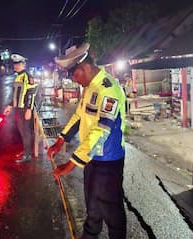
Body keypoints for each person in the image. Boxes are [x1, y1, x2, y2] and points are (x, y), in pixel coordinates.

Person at [47, 43, 127, 239]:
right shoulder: (89, 87)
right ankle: (90, 235)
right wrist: (61, 139)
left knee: (111, 208)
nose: (74, 80)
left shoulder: (108, 90)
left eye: (75, 75)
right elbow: (79, 116)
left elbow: (102, 130)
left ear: (85, 68)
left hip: (108, 159)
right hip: (91, 157)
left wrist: (73, 162)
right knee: (92, 203)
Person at [3, 54, 37, 163]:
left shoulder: (28, 76)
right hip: (18, 109)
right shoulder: (17, 76)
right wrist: (9, 105)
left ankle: (28, 155)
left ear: (24, 64)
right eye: (15, 64)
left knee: (26, 132)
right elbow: (16, 95)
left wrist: (29, 109)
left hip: (24, 109)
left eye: (18, 64)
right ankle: (26, 151)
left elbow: (31, 93)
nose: (16, 66)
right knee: (22, 132)